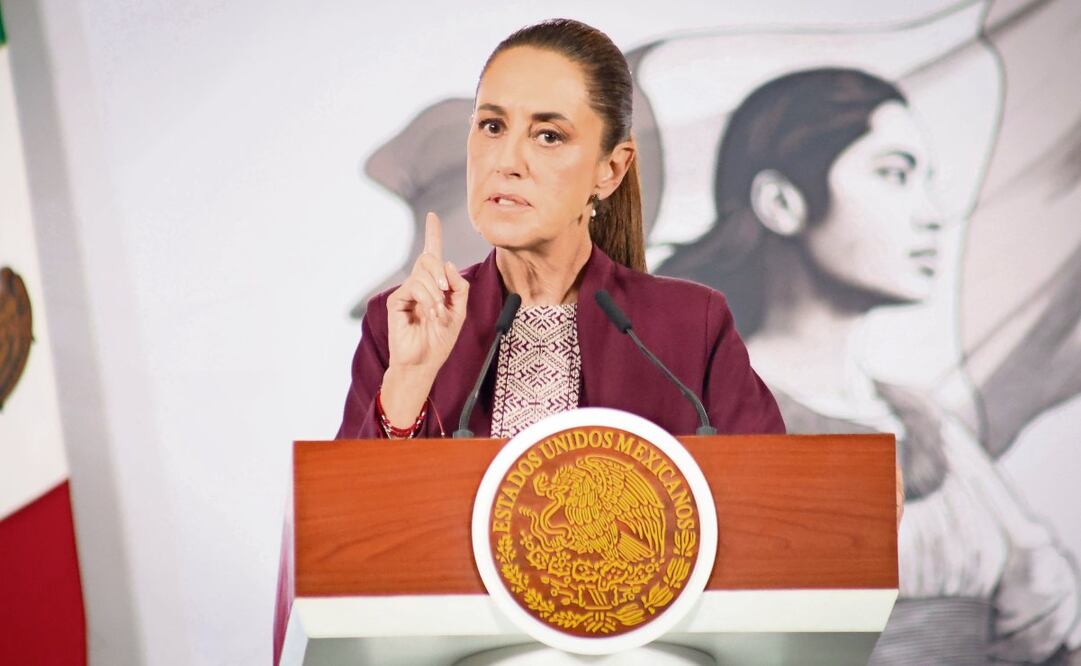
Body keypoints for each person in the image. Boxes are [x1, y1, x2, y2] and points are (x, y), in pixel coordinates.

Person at [658, 68, 1080, 664]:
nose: (932, 214)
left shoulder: (920, 418)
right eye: (894, 174)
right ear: (782, 202)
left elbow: (1043, 602)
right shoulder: (704, 410)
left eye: (927, 182)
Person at [335, 18, 785, 441]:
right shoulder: (401, 322)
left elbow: (774, 502)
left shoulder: (691, 326)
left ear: (610, 170)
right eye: (492, 126)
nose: (506, 162)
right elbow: (344, 516)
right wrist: (410, 377)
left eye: (548, 135)